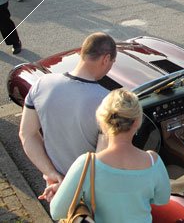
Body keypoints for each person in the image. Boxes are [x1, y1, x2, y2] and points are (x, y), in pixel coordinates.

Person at [19, 33, 116, 200]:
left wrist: (52, 175)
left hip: (55, 190)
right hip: (89, 194)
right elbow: (100, 163)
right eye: (112, 63)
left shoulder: (42, 84)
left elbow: (26, 134)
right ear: (106, 59)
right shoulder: (108, 102)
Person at [49, 88, 170, 217]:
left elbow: (57, 212)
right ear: (137, 122)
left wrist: (64, 190)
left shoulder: (87, 165)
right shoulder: (153, 161)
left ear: (102, 121)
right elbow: (162, 200)